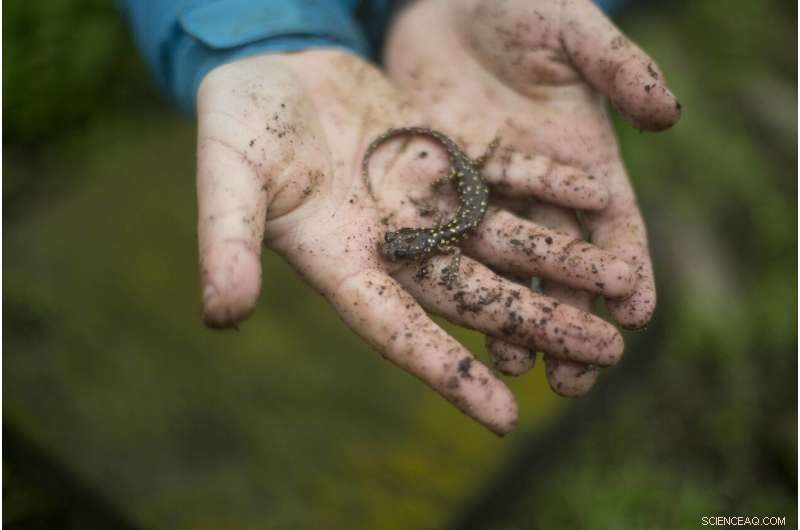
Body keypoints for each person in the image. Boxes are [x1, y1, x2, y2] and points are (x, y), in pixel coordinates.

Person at [120, 0, 681, 435]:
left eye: (401, 245)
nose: (397, 247)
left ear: (419, 243)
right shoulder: (438, 235)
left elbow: (447, 222)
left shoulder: (444, 233)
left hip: (465, 177)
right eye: (401, 245)